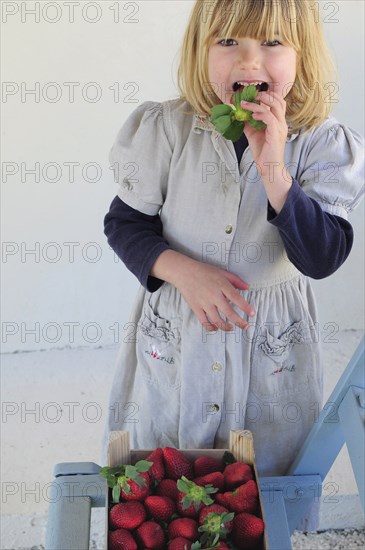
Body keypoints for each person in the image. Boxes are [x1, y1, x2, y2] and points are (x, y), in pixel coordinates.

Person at [102, 0, 364, 483]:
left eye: (271, 42)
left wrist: (274, 170)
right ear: (200, 53)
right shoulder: (167, 129)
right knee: (166, 457)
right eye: (227, 42)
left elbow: (323, 256)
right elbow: (124, 223)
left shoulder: (323, 143)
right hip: (181, 321)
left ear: (303, 54)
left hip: (272, 338)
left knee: (266, 472)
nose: (248, 60)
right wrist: (183, 272)